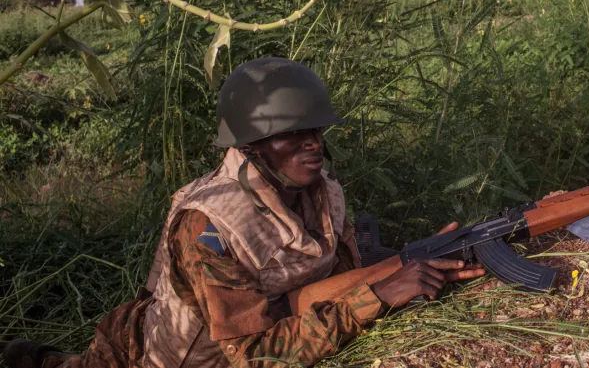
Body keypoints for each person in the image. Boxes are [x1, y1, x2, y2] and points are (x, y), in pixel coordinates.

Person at [3, 57, 485, 368]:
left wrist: (412, 261)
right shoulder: (210, 224)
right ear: (250, 148)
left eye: (316, 131)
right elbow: (254, 358)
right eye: (291, 135)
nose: (312, 145)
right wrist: (378, 295)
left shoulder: (323, 193)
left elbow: (335, 281)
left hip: (263, 321)